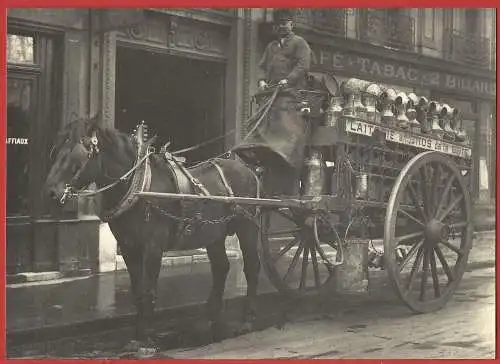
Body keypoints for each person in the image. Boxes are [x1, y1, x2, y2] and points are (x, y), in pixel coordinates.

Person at [233, 9, 312, 197]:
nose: (282, 26)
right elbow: (261, 67)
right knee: (260, 117)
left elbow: (303, 65)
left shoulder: (299, 44)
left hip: (290, 95)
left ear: (292, 24)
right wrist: (261, 80)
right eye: (279, 24)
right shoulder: (271, 47)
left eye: (285, 23)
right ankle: (258, 147)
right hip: (271, 94)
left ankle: (284, 151)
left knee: (283, 116)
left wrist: (289, 80)